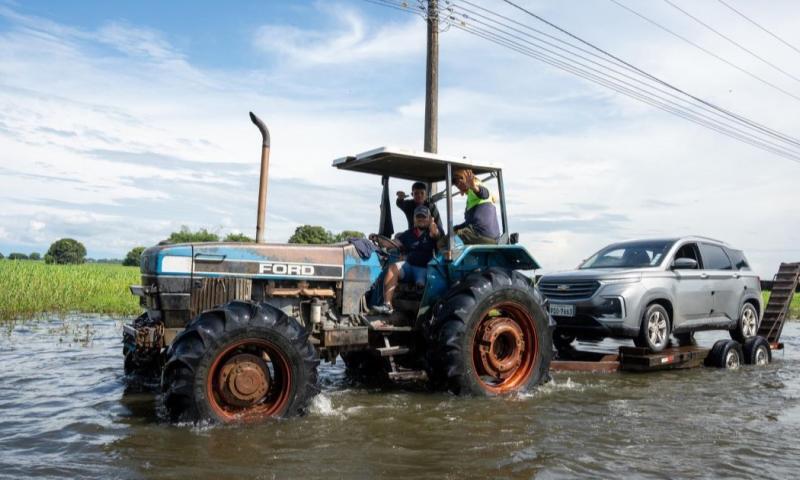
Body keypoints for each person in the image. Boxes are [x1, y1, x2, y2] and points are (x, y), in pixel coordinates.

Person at [371, 205, 439, 315]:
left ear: (429, 219)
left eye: (424, 217)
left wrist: (432, 226)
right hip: (409, 267)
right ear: (414, 219)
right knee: (393, 268)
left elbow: (436, 234)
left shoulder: (431, 232)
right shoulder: (408, 234)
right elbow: (392, 243)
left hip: (425, 269)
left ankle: (424, 314)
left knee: (420, 284)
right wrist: (378, 239)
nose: (421, 219)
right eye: (418, 217)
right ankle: (387, 305)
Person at [452, 168, 500, 244]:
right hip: (490, 236)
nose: (458, 185)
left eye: (460, 181)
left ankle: (451, 255)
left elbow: (484, 194)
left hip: (480, 233)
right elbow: (472, 222)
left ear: (466, 178)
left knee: (446, 241)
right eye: (456, 184)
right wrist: (456, 227)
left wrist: (474, 187)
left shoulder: (476, 186)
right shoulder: (471, 196)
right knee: (454, 233)